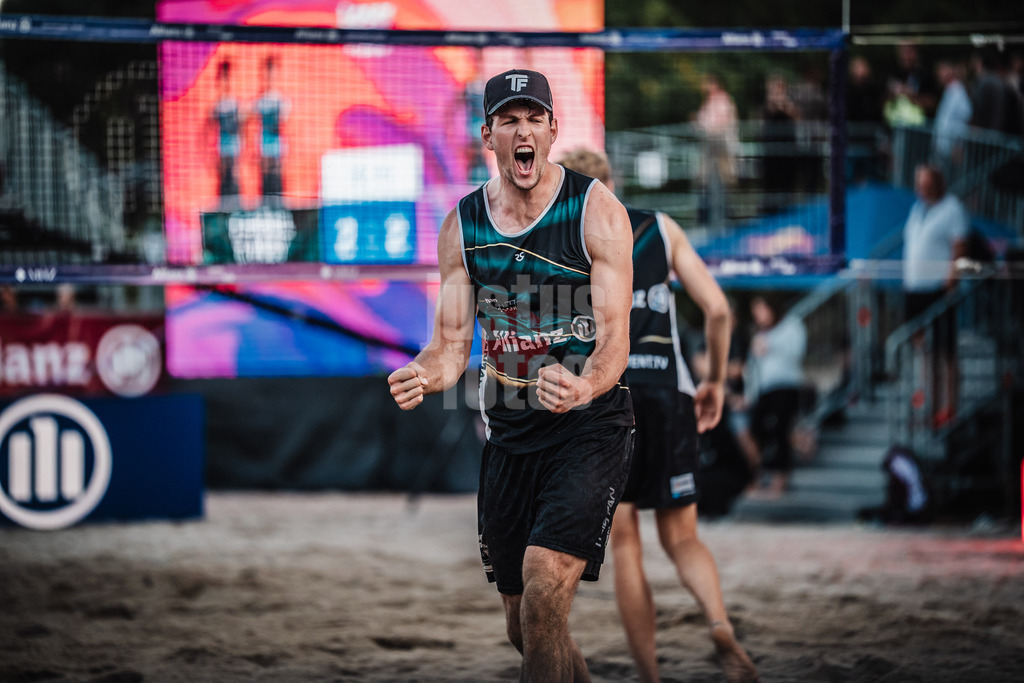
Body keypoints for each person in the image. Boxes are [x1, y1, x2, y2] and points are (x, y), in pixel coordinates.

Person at [387, 69, 635, 682]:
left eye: (533, 119)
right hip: (509, 434)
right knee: (522, 624)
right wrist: (422, 372)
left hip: (589, 425)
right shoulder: (463, 226)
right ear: (488, 136)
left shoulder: (596, 210)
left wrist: (583, 384)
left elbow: (615, 342)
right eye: (508, 120)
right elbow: (448, 347)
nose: (522, 131)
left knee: (546, 588)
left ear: (553, 130)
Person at [557, 147, 758, 683]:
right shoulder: (659, 227)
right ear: (612, 183)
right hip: (671, 389)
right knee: (684, 539)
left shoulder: (565, 243)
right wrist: (714, 380)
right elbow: (718, 310)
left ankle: (650, 677)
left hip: (610, 395)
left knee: (626, 544)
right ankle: (718, 624)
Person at [902, 164, 969, 427]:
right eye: (919, 182)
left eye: (926, 182)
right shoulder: (917, 210)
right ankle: (930, 404)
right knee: (924, 352)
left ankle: (949, 406)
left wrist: (951, 281)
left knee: (945, 350)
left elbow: (959, 247)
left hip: (938, 290)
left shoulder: (952, 208)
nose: (921, 187)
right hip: (915, 288)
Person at [744, 294, 807, 496]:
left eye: (761, 309)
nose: (758, 315)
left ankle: (780, 481)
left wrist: (771, 346)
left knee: (781, 431)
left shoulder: (791, 325)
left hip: (786, 386)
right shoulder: (759, 333)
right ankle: (761, 474)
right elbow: (753, 366)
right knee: (756, 430)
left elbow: (796, 352)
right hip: (764, 390)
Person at [694, 72, 739, 228]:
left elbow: (720, 124)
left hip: (720, 148)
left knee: (721, 185)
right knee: (707, 185)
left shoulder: (721, 100)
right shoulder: (708, 102)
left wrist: (706, 128)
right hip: (710, 149)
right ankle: (710, 221)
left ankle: (724, 220)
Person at [252, 55, 289, 206]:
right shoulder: (259, 102)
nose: (270, 77)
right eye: (267, 73)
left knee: (278, 185)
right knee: (265, 186)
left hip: (278, 150)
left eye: (273, 73)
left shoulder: (283, 101)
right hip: (263, 150)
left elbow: (286, 127)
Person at [931, 60, 972, 179]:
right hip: (944, 148)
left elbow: (965, 117)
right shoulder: (949, 90)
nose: (939, 74)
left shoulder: (958, 91)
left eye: (942, 70)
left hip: (952, 149)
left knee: (951, 181)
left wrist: (959, 145)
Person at [210, 59, 242, 209]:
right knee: (223, 184)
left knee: (235, 183)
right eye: (223, 78)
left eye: (228, 78)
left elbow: (243, 131)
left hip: (235, 151)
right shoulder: (216, 107)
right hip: (221, 152)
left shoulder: (238, 105)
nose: (226, 82)